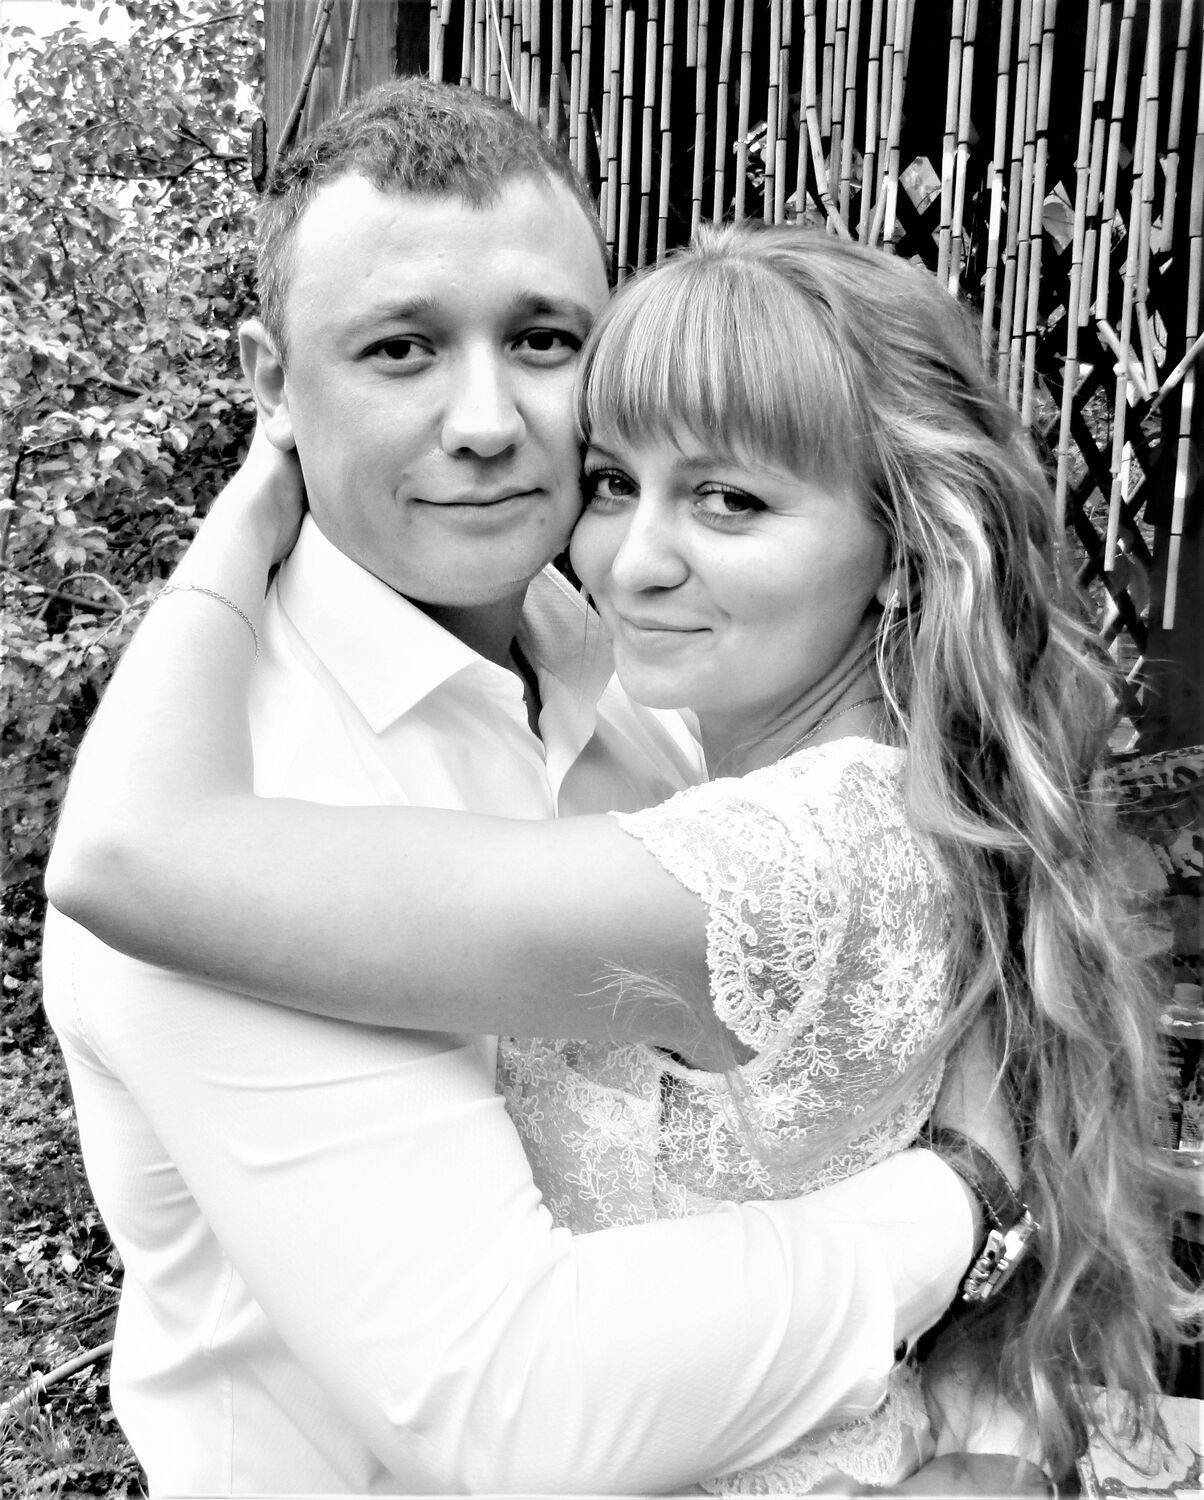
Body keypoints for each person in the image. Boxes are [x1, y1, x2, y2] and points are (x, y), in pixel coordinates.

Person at [48, 209, 1200, 1488]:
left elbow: (123, 858)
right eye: (613, 482)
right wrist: (964, 1200)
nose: (633, 561)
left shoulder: (790, 857)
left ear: (901, 548)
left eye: (730, 499)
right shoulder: (775, 755)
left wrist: (246, 511)